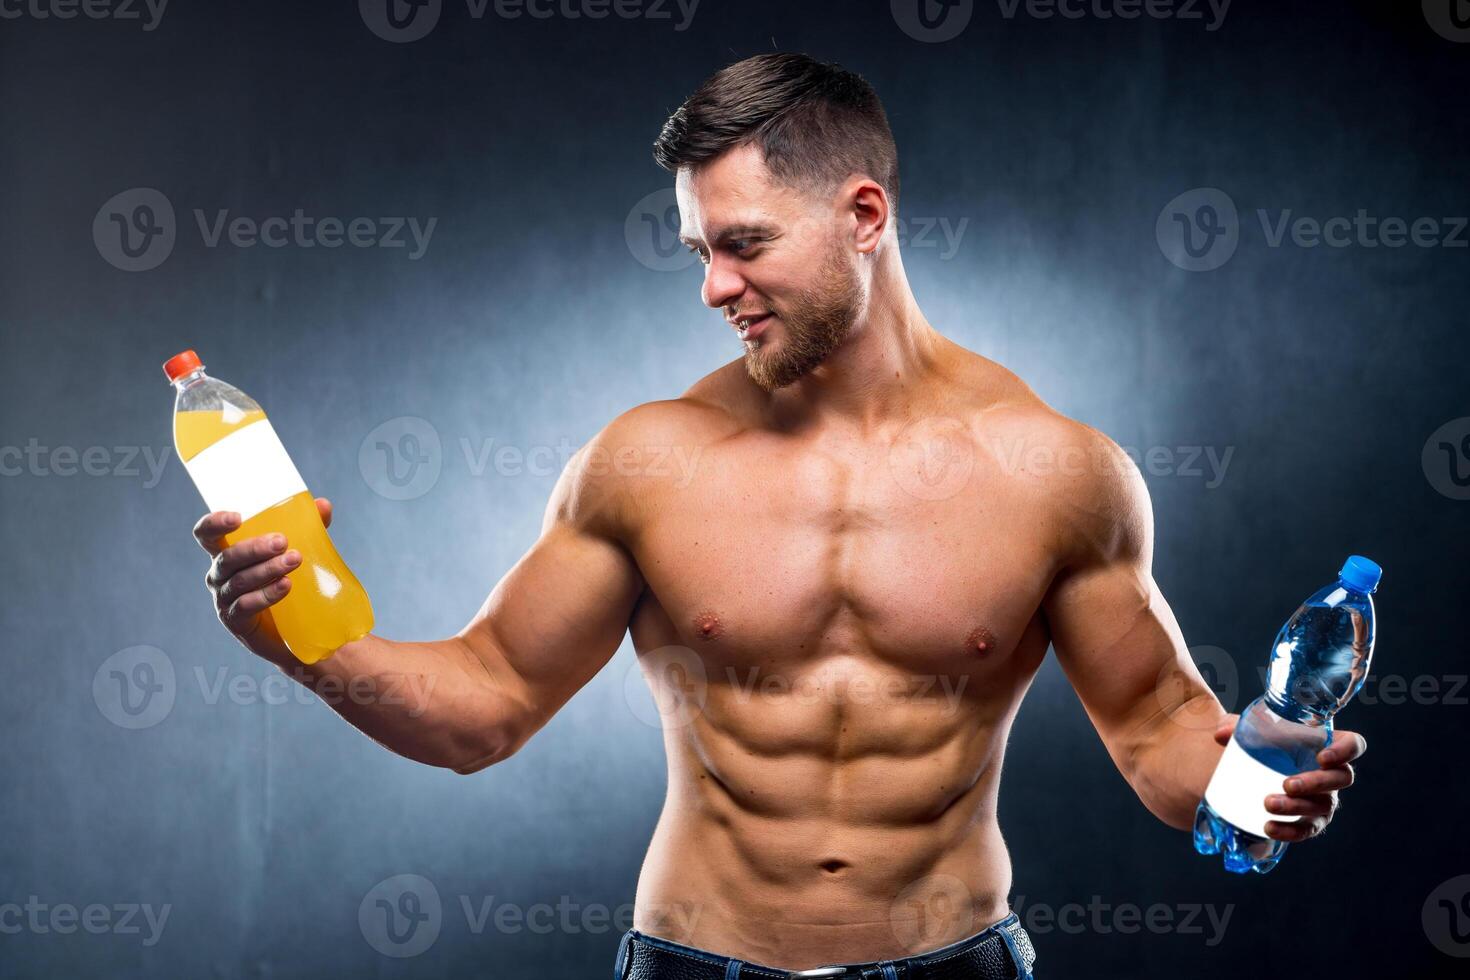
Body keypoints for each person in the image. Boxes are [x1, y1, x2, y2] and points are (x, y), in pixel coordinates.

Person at [190, 53, 1365, 979]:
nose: (712, 286)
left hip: (954, 962)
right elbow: (481, 709)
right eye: (700, 250)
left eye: (744, 244)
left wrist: (1249, 786)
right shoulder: (648, 459)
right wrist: (307, 645)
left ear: (864, 213)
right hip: (696, 963)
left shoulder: (1055, 468)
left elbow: (1160, 729)